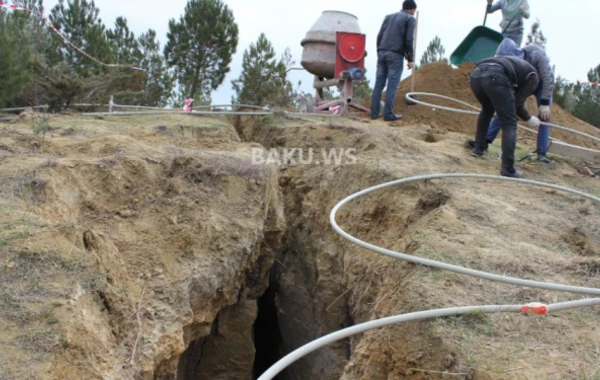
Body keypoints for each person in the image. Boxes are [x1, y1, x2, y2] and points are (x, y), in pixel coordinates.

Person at [467, 38, 555, 163]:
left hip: (539, 83)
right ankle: (485, 141)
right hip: (521, 79)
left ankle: (541, 153)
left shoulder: (537, 53)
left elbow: (548, 77)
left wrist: (545, 102)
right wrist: (526, 117)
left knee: (544, 116)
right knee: (505, 107)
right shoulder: (510, 62)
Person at [469, 55, 541, 178]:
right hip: (495, 76)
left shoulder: (519, 65)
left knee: (487, 109)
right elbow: (516, 103)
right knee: (510, 123)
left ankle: (478, 148)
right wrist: (528, 118)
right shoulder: (534, 78)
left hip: (476, 75)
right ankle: (508, 168)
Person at [370, 0, 417, 121]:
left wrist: (379, 52)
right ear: (411, 9)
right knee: (393, 84)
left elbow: (379, 36)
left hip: (382, 52)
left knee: (379, 84)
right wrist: (410, 59)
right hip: (395, 55)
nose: (414, 13)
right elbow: (408, 40)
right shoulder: (410, 19)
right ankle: (388, 114)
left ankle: (374, 113)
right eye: (414, 11)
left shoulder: (388, 17)